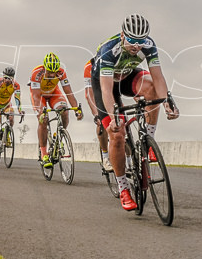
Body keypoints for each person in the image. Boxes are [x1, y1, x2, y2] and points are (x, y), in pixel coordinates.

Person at [90, 14, 179, 211]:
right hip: (105, 84)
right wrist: (113, 118)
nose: (136, 45)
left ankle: (148, 140)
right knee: (117, 134)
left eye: (140, 41)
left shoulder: (148, 45)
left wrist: (166, 102)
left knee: (153, 90)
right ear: (123, 35)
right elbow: (106, 91)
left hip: (127, 77)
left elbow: (158, 76)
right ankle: (123, 188)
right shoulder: (108, 51)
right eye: (131, 40)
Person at [29, 53, 83, 168]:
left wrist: (76, 109)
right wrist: (40, 112)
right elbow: (36, 96)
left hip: (54, 93)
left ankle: (59, 137)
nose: (52, 74)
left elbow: (68, 91)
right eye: (49, 72)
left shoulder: (61, 73)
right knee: (43, 120)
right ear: (44, 68)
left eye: (54, 72)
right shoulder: (36, 74)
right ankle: (44, 154)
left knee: (64, 111)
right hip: (40, 96)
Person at [0, 66, 23, 157]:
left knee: (11, 118)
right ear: (3, 76)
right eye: (5, 78)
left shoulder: (16, 85)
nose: (7, 80)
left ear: (13, 78)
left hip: (7, 104)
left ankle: (7, 134)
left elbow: (17, 98)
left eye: (10, 78)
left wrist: (20, 110)